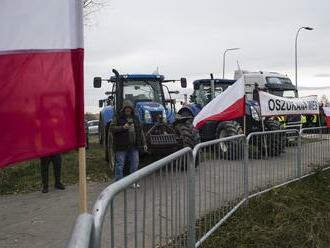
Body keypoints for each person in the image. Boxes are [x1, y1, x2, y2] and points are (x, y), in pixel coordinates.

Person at [110, 100, 147, 187]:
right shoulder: (118, 117)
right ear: (123, 109)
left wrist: (144, 143)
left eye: (130, 108)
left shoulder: (136, 118)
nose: (128, 110)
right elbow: (112, 128)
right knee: (120, 164)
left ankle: (132, 182)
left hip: (134, 146)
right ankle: (118, 183)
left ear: (132, 109)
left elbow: (140, 132)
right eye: (126, 108)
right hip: (121, 145)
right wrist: (123, 127)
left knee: (135, 163)